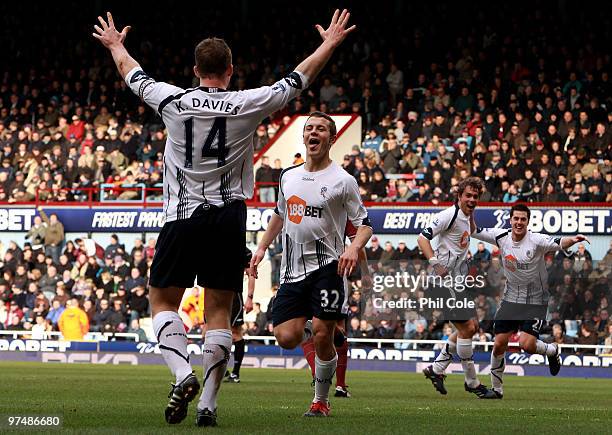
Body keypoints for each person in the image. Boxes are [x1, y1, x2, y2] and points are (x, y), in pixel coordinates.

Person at [93, 8, 356, 427]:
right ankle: (208, 406)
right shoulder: (246, 103)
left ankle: (182, 374)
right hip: (228, 218)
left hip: (181, 216)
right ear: (231, 71)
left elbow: (132, 75)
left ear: (195, 70)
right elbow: (297, 79)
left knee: (162, 303)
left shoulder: (173, 100)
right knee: (219, 314)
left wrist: (116, 45)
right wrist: (329, 43)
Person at [251, 111, 372, 417]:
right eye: (309, 128)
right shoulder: (288, 176)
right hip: (291, 272)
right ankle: (322, 327)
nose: (313, 133)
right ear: (303, 137)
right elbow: (279, 214)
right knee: (286, 338)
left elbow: (365, 225)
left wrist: (353, 248)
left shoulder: (343, 181)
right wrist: (262, 247)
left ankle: (321, 400)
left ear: (331, 139)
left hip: (328, 267)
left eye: (320, 129)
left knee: (321, 333)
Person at [472, 203, 589, 398]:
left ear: (528, 221)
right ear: (510, 220)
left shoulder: (535, 240)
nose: (519, 222)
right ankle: (497, 390)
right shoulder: (501, 236)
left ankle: (552, 351)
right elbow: (475, 231)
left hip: (535, 299)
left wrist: (574, 239)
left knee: (526, 345)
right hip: (511, 299)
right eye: (516, 218)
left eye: (523, 219)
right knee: (499, 343)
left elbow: (558, 242)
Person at [419, 177, 497, 399]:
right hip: (441, 283)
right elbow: (422, 239)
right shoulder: (448, 215)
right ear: (459, 196)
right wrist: (436, 263)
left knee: (470, 326)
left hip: (455, 283)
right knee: (467, 329)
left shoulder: (467, 216)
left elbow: (470, 232)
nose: (472, 200)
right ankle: (472, 382)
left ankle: (436, 369)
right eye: (468, 196)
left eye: (475, 196)